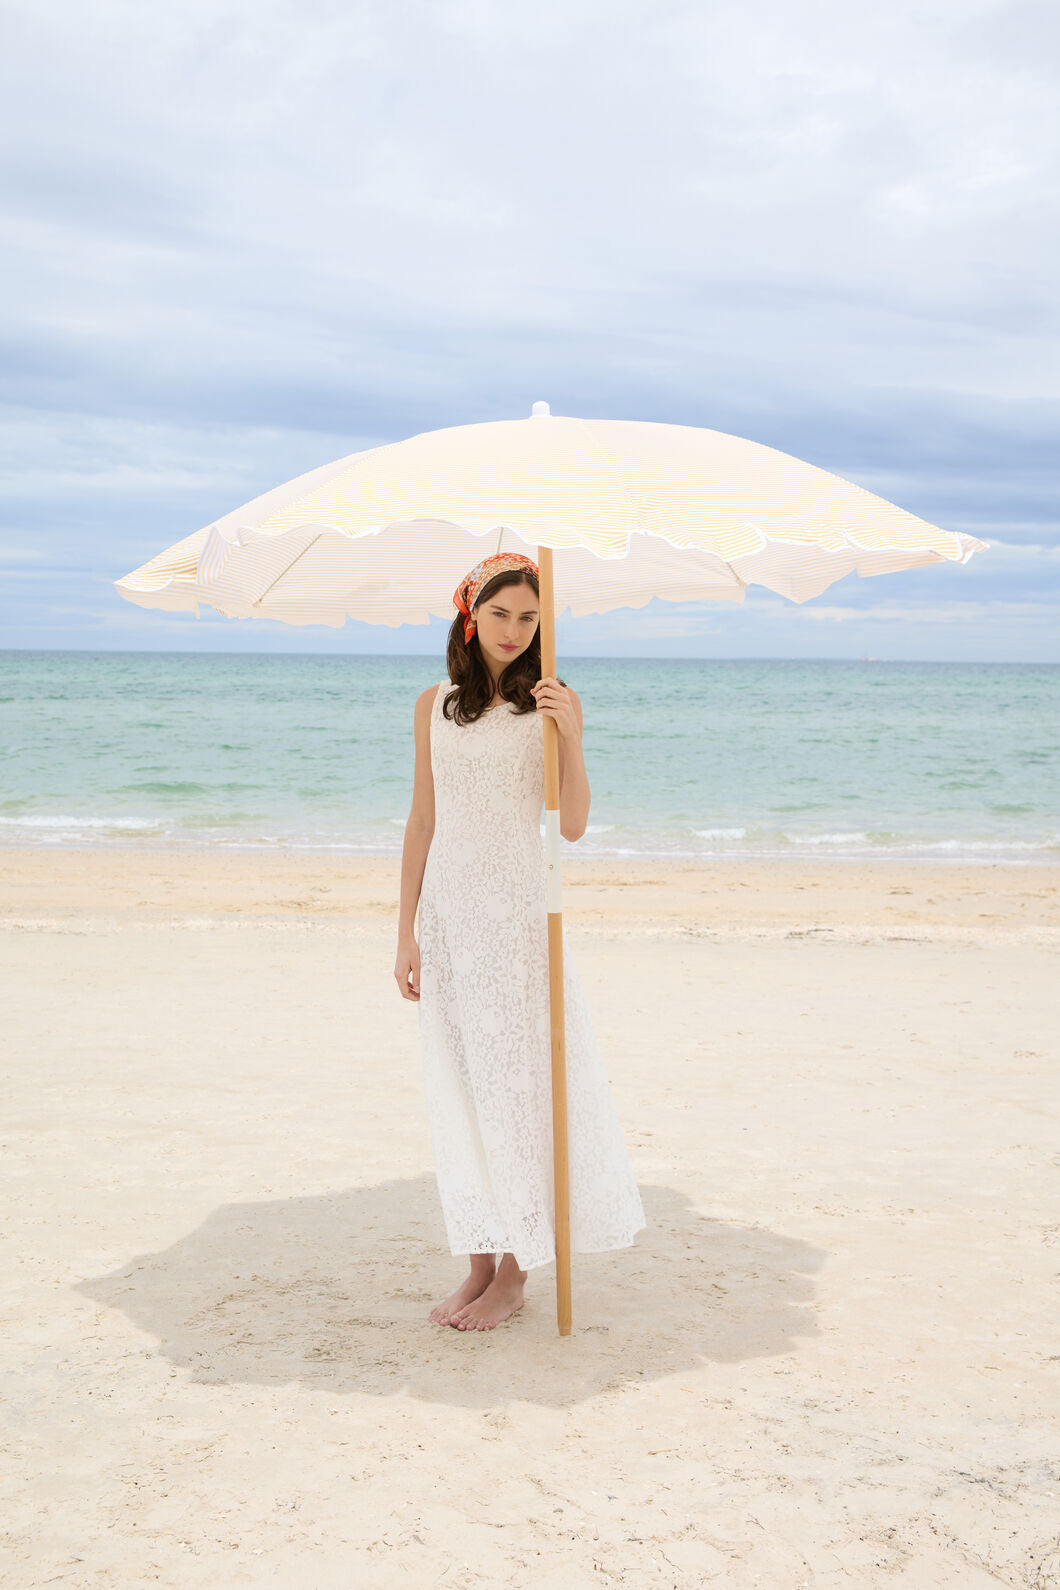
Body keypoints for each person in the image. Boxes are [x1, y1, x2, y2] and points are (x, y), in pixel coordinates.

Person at [395, 551, 646, 1331]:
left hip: (516, 921)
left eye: (529, 618)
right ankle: (476, 1258)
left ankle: (515, 1273)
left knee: (516, 1091)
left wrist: (571, 735)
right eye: (501, 614)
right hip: (449, 915)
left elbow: (570, 824)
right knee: (461, 1086)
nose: (514, 630)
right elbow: (423, 820)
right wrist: (404, 929)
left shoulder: (550, 703)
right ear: (471, 616)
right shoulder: (432, 705)